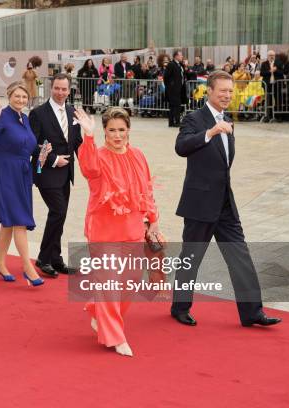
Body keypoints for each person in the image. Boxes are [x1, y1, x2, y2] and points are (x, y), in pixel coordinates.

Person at [171, 70, 282, 328]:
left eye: (230, 91)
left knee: (240, 256)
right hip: (199, 204)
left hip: (225, 204)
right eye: (222, 91)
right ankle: (180, 307)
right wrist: (209, 133)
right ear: (209, 90)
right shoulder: (195, 119)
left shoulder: (229, 120)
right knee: (191, 258)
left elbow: (223, 163)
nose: (227, 95)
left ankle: (252, 312)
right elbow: (181, 146)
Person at [75, 107, 162, 357]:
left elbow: (146, 189)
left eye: (121, 130)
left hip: (133, 227)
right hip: (103, 229)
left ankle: (97, 310)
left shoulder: (138, 155)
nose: (117, 135)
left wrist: (153, 219)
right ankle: (114, 335)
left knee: (131, 282)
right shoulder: (98, 156)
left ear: (128, 130)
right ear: (104, 131)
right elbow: (89, 169)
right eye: (111, 130)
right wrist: (87, 136)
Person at [0, 81, 51, 286]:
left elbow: (28, 152)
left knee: (10, 221)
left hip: (22, 174)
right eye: (17, 96)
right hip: (2, 172)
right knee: (19, 219)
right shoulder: (1, 116)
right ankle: (28, 267)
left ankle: (0, 263)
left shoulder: (25, 118)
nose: (21, 100)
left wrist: (41, 160)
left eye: (24, 97)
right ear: (9, 96)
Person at [29, 73, 83, 278]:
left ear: (69, 91)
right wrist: (52, 159)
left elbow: (77, 142)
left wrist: (90, 162)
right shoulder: (38, 113)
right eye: (57, 88)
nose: (60, 93)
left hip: (66, 172)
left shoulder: (72, 112)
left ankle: (56, 259)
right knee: (58, 212)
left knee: (60, 215)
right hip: (46, 171)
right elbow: (32, 144)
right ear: (51, 89)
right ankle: (44, 258)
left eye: (64, 89)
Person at [260, 50, 285, 121]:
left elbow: (282, 73)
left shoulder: (279, 63)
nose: (271, 57)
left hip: (276, 84)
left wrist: (276, 70)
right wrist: (270, 71)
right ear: (267, 56)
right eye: (270, 55)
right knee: (268, 100)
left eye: (273, 55)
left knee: (278, 99)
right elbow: (262, 73)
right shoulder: (264, 63)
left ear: (275, 56)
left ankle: (278, 116)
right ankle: (268, 116)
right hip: (267, 84)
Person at [164, 50, 186, 127]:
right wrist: (171, 86)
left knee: (177, 106)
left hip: (179, 89)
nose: (182, 56)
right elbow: (166, 77)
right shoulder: (171, 64)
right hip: (173, 90)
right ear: (176, 56)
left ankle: (174, 121)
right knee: (174, 106)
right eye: (180, 55)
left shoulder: (179, 65)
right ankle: (174, 122)